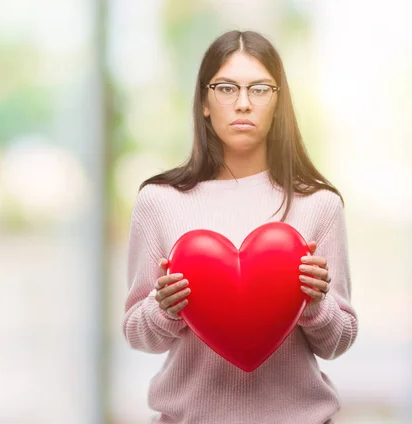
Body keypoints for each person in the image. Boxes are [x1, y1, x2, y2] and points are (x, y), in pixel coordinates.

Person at [122, 30, 358, 424]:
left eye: (260, 89)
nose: (244, 104)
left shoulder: (320, 204)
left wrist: (315, 303)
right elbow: (137, 334)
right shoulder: (159, 201)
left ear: (279, 102)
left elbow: (338, 341)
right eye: (227, 88)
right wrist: (163, 308)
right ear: (204, 103)